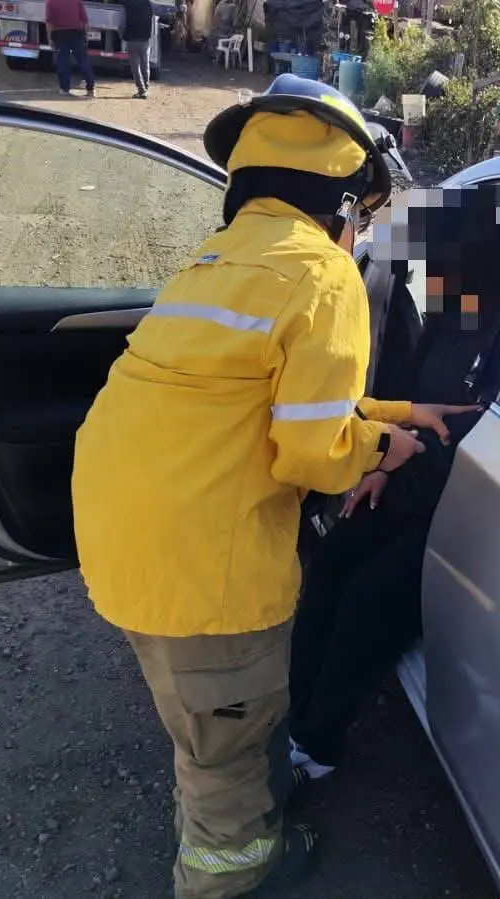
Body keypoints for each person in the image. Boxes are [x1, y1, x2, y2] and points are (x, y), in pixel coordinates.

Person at [72, 75, 455, 898]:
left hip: (129, 535)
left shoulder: (220, 261)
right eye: (367, 215)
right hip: (205, 571)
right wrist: (387, 445)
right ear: (345, 204)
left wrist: (393, 407)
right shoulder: (323, 276)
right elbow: (314, 456)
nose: (363, 233)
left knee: (202, 726)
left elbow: (261, 393)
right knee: (228, 750)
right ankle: (232, 874)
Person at [287, 185, 500, 779]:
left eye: (445, 253)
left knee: (369, 598)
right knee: (331, 563)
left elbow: (492, 428)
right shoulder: (455, 311)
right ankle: (293, 713)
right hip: (418, 471)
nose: (431, 269)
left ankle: (317, 746)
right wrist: (380, 464)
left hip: (477, 502)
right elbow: (418, 401)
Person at [45, 0, 95, 97]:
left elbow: (49, 22)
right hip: (77, 33)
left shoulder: (51, 2)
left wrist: (49, 38)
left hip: (60, 34)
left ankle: (64, 89)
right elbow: (84, 19)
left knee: (63, 62)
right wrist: (86, 36)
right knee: (83, 61)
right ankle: (90, 89)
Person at [119, 0, 154, 98]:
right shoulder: (147, 4)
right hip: (144, 38)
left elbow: (122, 22)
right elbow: (151, 18)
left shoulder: (127, 4)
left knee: (135, 67)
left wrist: (123, 35)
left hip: (132, 39)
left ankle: (141, 89)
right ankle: (146, 87)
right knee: (145, 65)